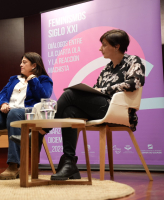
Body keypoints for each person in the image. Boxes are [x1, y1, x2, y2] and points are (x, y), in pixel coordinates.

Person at [10, 29, 145, 180]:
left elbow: (134, 83)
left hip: (119, 110)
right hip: (101, 107)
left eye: (104, 45)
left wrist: (102, 90)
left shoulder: (134, 61)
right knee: (69, 112)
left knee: (69, 94)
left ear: (116, 46)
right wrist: (94, 90)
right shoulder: (107, 68)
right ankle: (69, 163)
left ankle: (40, 132)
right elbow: (96, 90)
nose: (100, 48)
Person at [0, 52, 53, 180]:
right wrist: (3, 103)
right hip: (9, 112)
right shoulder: (14, 79)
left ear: (34, 65)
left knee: (14, 114)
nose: (20, 65)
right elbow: (2, 94)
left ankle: (14, 165)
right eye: (21, 62)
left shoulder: (44, 80)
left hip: (28, 113)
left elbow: (44, 96)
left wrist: (33, 80)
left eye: (24, 62)